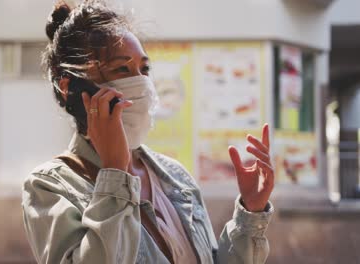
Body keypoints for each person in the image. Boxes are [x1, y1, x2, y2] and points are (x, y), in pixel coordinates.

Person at [21, 1, 275, 263]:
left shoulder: (174, 176)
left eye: (145, 69)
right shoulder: (49, 186)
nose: (141, 83)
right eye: (122, 69)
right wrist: (115, 173)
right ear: (69, 86)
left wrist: (251, 212)